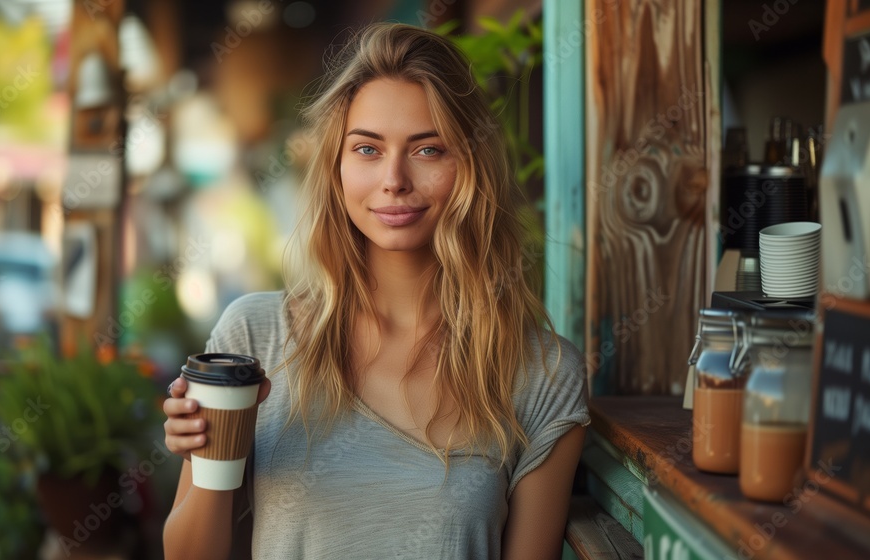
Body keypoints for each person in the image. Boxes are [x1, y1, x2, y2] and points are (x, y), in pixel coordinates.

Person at [162, 22, 589, 560]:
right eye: (367, 149)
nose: (394, 179)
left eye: (428, 150)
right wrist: (209, 459)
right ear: (336, 168)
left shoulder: (541, 373)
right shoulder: (255, 339)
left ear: (471, 166)